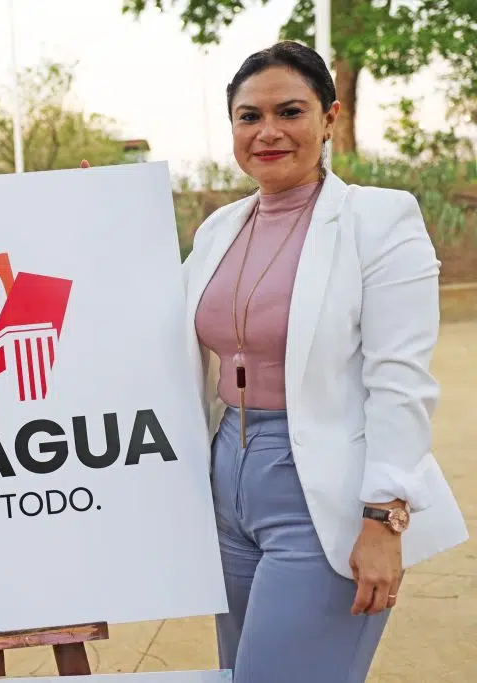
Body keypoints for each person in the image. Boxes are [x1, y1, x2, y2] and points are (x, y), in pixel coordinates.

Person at [179, 41, 469, 681]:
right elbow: (153, 328)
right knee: (239, 672)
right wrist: (102, 217)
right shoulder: (219, 229)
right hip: (226, 479)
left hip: (322, 492)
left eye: (290, 111)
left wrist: (384, 519)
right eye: (249, 116)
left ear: (329, 117)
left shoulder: (379, 219)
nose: (268, 132)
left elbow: (400, 381)